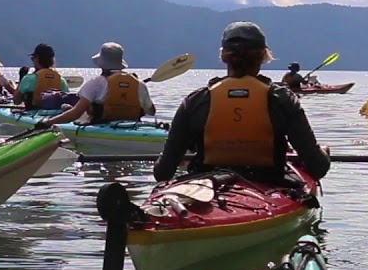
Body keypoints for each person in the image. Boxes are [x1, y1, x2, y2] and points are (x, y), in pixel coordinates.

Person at [153, 22, 330, 184]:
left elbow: (162, 173)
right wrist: (324, 152)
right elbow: (318, 167)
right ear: (263, 56)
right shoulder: (282, 99)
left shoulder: (196, 101)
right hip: (268, 184)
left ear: (223, 56)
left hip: (206, 187)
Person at [36, 42, 155, 127]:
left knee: (68, 109)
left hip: (100, 126)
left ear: (101, 63)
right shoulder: (139, 84)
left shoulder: (95, 83)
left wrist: (47, 122)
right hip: (132, 126)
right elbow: (151, 112)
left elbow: (75, 114)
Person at [16, 43, 70, 108]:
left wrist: (21, 79)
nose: (32, 60)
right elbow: (67, 100)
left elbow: (16, 101)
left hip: (32, 113)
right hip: (55, 115)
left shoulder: (29, 79)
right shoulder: (61, 80)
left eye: (33, 58)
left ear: (37, 58)